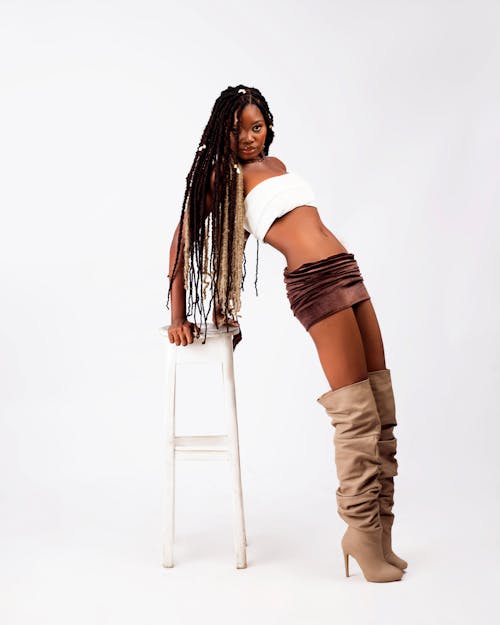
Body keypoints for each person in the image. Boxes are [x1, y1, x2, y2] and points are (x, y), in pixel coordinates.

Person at [166, 84, 407, 583]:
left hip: (346, 268)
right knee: (355, 411)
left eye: (257, 127)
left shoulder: (277, 166)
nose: (249, 137)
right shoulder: (221, 174)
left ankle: (381, 534)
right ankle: (361, 535)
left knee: (381, 401)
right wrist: (179, 316)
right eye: (239, 129)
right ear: (222, 131)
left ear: (268, 126)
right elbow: (181, 241)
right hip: (315, 282)